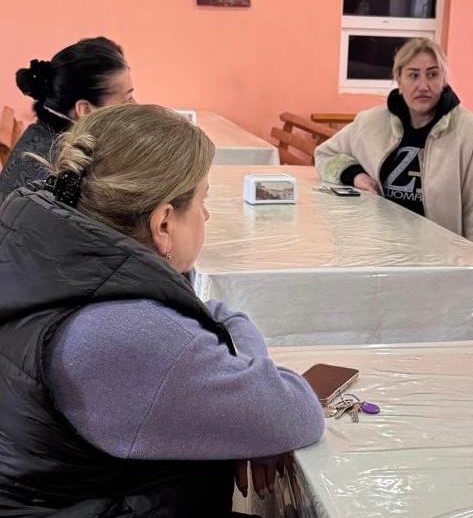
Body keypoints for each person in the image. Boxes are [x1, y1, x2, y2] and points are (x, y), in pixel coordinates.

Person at [0, 104, 324, 516]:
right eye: (203, 200)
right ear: (164, 224)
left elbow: (211, 313)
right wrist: (248, 402)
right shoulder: (123, 332)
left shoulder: (42, 253)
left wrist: (239, 395)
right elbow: (294, 414)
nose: (206, 214)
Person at [315, 38, 473, 254]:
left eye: (432, 75)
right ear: (399, 78)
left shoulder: (467, 130)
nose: (423, 86)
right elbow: (325, 154)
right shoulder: (371, 122)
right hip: (377, 249)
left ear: (444, 79)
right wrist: (355, 175)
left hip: (438, 256)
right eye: (413, 75)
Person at [0, 36, 134, 204]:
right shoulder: (65, 170)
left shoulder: (42, 137)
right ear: (85, 110)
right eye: (128, 99)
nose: (135, 106)